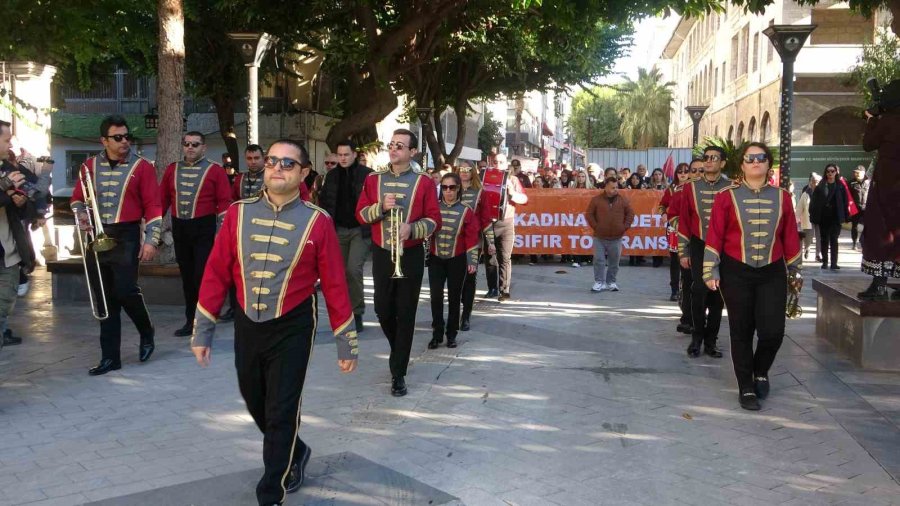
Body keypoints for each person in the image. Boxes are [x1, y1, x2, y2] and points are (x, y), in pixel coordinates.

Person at [190, 139, 358, 506]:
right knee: (255, 399)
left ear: (303, 173)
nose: (277, 168)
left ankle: (271, 492)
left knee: (282, 409)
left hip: (294, 323)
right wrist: (203, 330)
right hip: (248, 322)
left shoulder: (318, 221)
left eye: (287, 163)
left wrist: (346, 342)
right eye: (271, 161)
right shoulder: (237, 213)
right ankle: (295, 450)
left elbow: (334, 283)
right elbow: (216, 272)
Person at [703, 142, 801, 411]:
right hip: (736, 270)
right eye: (750, 158)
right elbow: (715, 234)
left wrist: (795, 269)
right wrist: (710, 268)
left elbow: (790, 235)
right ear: (742, 165)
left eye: (761, 157)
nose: (755, 161)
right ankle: (746, 386)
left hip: (772, 271)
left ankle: (761, 371)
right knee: (741, 330)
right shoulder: (726, 196)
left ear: (768, 163)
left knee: (773, 332)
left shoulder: (783, 197)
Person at [71, 115, 161, 375]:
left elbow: (153, 205)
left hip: (127, 235)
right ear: (104, 140)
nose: (124, 141)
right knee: (104, 298)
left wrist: (151, 240)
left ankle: (146, 330)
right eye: (118, 137)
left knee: (125, 290)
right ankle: (110, 357)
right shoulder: (88, 166)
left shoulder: (142, 167)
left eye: (126, 136)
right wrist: (82, 214)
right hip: (96, 237)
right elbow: (77, 199)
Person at [356, 129, 440, 397]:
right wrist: (380, 207)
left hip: (410, 254)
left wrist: (412, 229)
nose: (393, 149)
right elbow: (360, 214)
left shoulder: (424, 182)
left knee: (405, 312)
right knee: (382, 309)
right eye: (391, 145)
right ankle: (398, 351)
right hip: (382, 252)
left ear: (412, 152)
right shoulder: (373, 179)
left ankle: (398, 372)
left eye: (400, 146)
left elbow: (434, 220)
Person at [160, 132, 231, 337]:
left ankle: (204, 320)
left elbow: (224, 202)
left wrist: (221, 231)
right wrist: (151, 226)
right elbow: (162, 200)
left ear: (204, 147)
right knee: (187, 277)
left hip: (204, 229)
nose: (190, 147)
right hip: (180, 228)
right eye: (187, 144)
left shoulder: (215, 170)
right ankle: (190, 320)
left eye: (195, 144)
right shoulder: (172, 169)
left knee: (202, 276)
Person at [678, 145, 732, 359]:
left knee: (718, 294)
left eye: (714, 158)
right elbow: (684, 220)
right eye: (706, 157)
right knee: (699, 290)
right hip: (699, 244)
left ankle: (711, 341)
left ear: (723, 163)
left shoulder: (732, 187)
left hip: (724, 247)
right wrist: (683, 251)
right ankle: (697, 338)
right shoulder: (690, 188)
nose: (708, 161)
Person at [318, 140, 373, 333]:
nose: (342, 158)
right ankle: (343, 313)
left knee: (353, 269)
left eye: (346, 155)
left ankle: (357, 313)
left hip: (360, 229)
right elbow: (325, 202)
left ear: (354, 155)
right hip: (338, 230)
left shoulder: (367, 175)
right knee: (339, 273)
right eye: (340, 155)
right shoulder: (332, 176)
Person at [428, 173, 480, 349]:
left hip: (457, 259)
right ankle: (437, 334)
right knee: (436, 297)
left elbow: (472, 237)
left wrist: (472, 261)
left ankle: (451, 335)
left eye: (452, 187)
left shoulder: (466, 210)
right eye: (444, 187)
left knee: (454, 297)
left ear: (458, 188)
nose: (448, 191)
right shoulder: (433, 208)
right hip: (435, 258)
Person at [0, 121, 37, 348]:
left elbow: (28, 206)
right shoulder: (7, 177)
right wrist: (5, 186)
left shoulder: (9, 169)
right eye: (6, 140)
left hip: (8, 253)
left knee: (5, 304)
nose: (10, 145)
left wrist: (21, 203)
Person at [859, 104, 900, 299]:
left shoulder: (888, 121)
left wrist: (871, 120)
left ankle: (879, 284)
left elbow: (868, 144)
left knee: (881, 230)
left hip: (887, 181)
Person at [483, 153, 527, 301]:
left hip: (506, 222)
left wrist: (512, 192)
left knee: (505, 257)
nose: (497, 165)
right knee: (489, 257)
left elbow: (524, 199)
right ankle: (492, 288)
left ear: (506, 164)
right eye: (495, 162)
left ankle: (504, 290)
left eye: (501, 162)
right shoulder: (484, 178)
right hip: (489, 223)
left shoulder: (513, 179)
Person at [458, 162, 496, 331]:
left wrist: (491, 242)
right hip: (452, 241)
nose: (464, 172)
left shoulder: (480, 192)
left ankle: (466, 315)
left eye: (467, 170)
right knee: (455, 278)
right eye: (461, 169)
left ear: (473, 172)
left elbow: (486, 219)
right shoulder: (450, 188)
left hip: (473, 241)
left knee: (470, 277)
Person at [587, 177, 634, 292]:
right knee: (599, 260)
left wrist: (624, 227)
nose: (615, 189)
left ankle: (611, 282)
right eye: (613, 187)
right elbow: (589, 214)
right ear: (606, 187)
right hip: (599, 237)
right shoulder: (596, 200)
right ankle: (599, 282)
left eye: (617, 187)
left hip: (616, 238)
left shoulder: (623, 200)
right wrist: (596, 227)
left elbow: (630, 214)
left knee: (614, 262)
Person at [809, 163, 847, 270]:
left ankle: (834, 263)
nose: (830, 173)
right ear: (825, 173)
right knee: (824, 240)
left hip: (836, 217)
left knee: (834, 239)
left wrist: (844, 216)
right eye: (828, 171)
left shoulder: (840, 186)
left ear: (836, 172)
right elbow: (814, 202)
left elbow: (845, 202)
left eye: (832, 171)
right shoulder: (820, 186)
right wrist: (814, 216)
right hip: (824, 217)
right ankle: (825, 262)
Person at [796, 173, 821, 261]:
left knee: (819, 237)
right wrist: (796, 218)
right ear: (810, 182)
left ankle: (818, 254)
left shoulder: (823, 192)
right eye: (813, 181)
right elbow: (800, 207)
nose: (815, 183)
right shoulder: (806, 194)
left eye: (817, 182)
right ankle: (807, 248)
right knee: (808, 237)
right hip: (809, 218)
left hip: (820, 219)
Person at [849, 165, 870, 251]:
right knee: (854, 226)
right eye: (855, 172)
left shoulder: (869, 182)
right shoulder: (851, 183)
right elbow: (848, 196)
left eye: (858, 173)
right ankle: (854, 243)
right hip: (855, 208)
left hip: (866, 208)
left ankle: (865, 243)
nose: (856, 174)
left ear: (863, 173)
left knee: (868, 226)